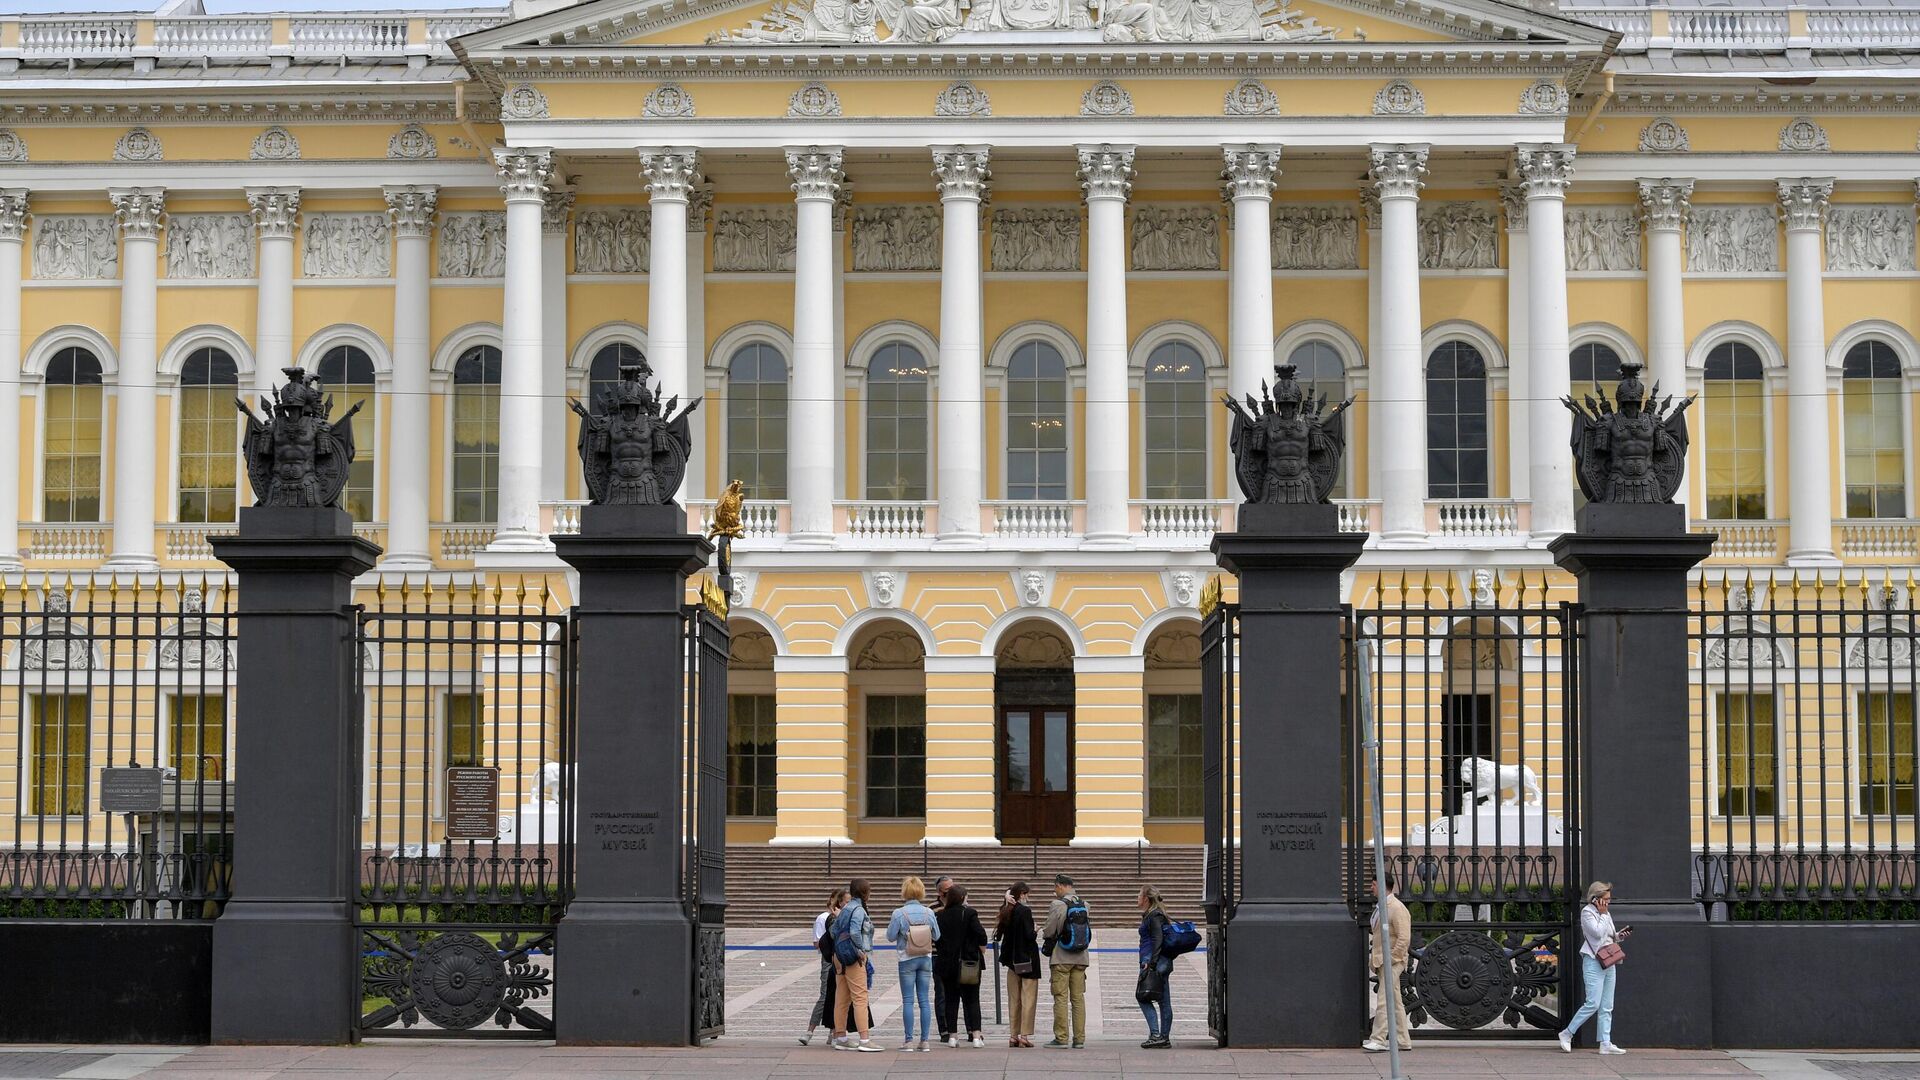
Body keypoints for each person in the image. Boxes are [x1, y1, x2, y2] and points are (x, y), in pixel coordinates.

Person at [1560, 880, 1632, 1055]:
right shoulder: (1587, 913)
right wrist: (1602, 913)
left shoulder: (1605, 913)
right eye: (1605, 898)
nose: (1608, 902)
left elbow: (1610, 936)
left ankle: (1605, 1042)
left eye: (1609, 899)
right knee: (1593, 1003)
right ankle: (1567, 1033)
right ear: (1595, 898)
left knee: (1607, 1005)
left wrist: (1620, 935)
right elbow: (1597, 934)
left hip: (1609, 960)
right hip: (1593, 961)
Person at [886, 876, 941, 1052]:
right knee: (924, 1000)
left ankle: (908, 1041)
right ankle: (924, 1041)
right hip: (925, 957)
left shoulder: (898, 913)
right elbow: (937, 936)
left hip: (906, 957)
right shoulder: (929, 912)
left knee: (908, 1000)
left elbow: (890, 936)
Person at [829, 878, 883, 1052]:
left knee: (841, 998)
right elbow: (854, 932)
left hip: (839, 956)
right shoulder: (858, 910)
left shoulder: (845, 908)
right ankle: (865, 1040)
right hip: (853, 957)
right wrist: (859, 949)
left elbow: (833, 931)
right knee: (860, 998)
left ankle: (840, 1037)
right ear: (865, 892)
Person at [1362, 872, 1413, 1053]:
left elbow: (1404, 938)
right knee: (1396, 1001)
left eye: (1374, 884)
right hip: (1384, 960)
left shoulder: (1396, 908)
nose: (1371, 887)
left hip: (1392, 961)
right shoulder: (1383, 906)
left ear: (1382, 886)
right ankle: (1403, 1040)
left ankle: (1378, 1039)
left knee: (1383, 999)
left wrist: (1390, 958)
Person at [933, 883, 989, 1047]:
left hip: (947, 964)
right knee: (972, 999)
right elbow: (981, 935)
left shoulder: (941, 915)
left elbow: (937, 939)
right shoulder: (970, 913)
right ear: (963, 898)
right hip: (968, 963)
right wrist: (979, 949)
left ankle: (952, 1036)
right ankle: (976, 1036)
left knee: (951, 1000)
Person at [1042, 873, 1091, 1049]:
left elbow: (1049, 930)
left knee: (1061, 997)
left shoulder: (1057, 904)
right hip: (1081, 957)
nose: (1054, 892)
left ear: (1061, 886)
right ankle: (1079, 1039)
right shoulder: (1085, 904)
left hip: (1061, 957)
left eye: (1055, 888)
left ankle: (1061, 1037)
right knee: (1078, 998)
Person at [994, 881, 1041, 1047]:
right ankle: (1024, 1035)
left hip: (1011, 961)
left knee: (1014, 998)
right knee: (1028, 998)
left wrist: (1006, 897)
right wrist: (1035, 929)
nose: (1028, 897)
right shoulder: (1024, 911)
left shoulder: (1007, 909)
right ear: (1021, 894)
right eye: (1026, 894)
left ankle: (1013, 1035)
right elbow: (1029, 936)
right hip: (1027, 960)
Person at [801, 887, 847, 1046]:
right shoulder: (824, 918)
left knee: (838, 996)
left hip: (839, 959)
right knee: (826, 996)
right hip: (829, 960)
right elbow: (817, 943)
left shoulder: (845, 916)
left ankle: (833, 1033)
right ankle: (810, 1031)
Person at [1135, 885, 1173, 1048]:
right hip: (1155, 960)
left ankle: (1158, 1035)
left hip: (1153, 961)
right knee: (1162, 999)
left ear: (1146, 898)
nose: (1137, 898)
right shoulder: (1152, 914)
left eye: (1139, 895)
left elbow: (1158, 939)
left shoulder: (1154, 916)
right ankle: (1162, 1037)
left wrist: (1151, 964)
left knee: (1143, 996)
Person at [929, 875, 954, 1041]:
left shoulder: (960, 906)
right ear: (940, 892)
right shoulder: (931, 909)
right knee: (941, 993)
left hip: (956, 955)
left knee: (960, 993)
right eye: (948, 890)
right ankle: (944, 1029)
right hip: (938, 955)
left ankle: (964, 1029)